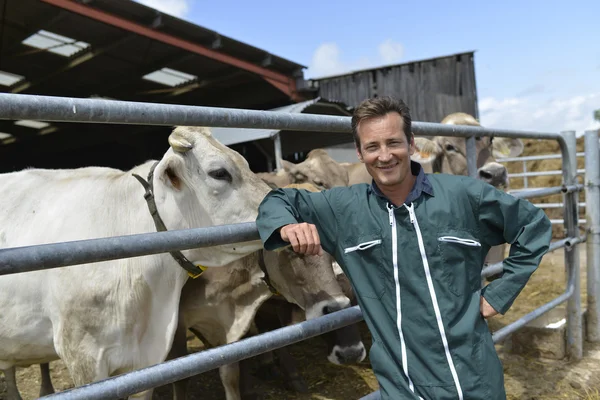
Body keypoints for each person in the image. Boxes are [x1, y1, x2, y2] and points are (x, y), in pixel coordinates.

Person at [255, 96, 552, 400]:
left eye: (393, 143)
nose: (384, 156)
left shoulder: (463, 195)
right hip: (403, 387)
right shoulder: (345, 208)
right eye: (372, 147)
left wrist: (499, 294)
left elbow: (534, 227)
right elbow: (276, 200)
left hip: (474, 381)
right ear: (359, 153)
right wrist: (287, 225)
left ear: (411, 145)